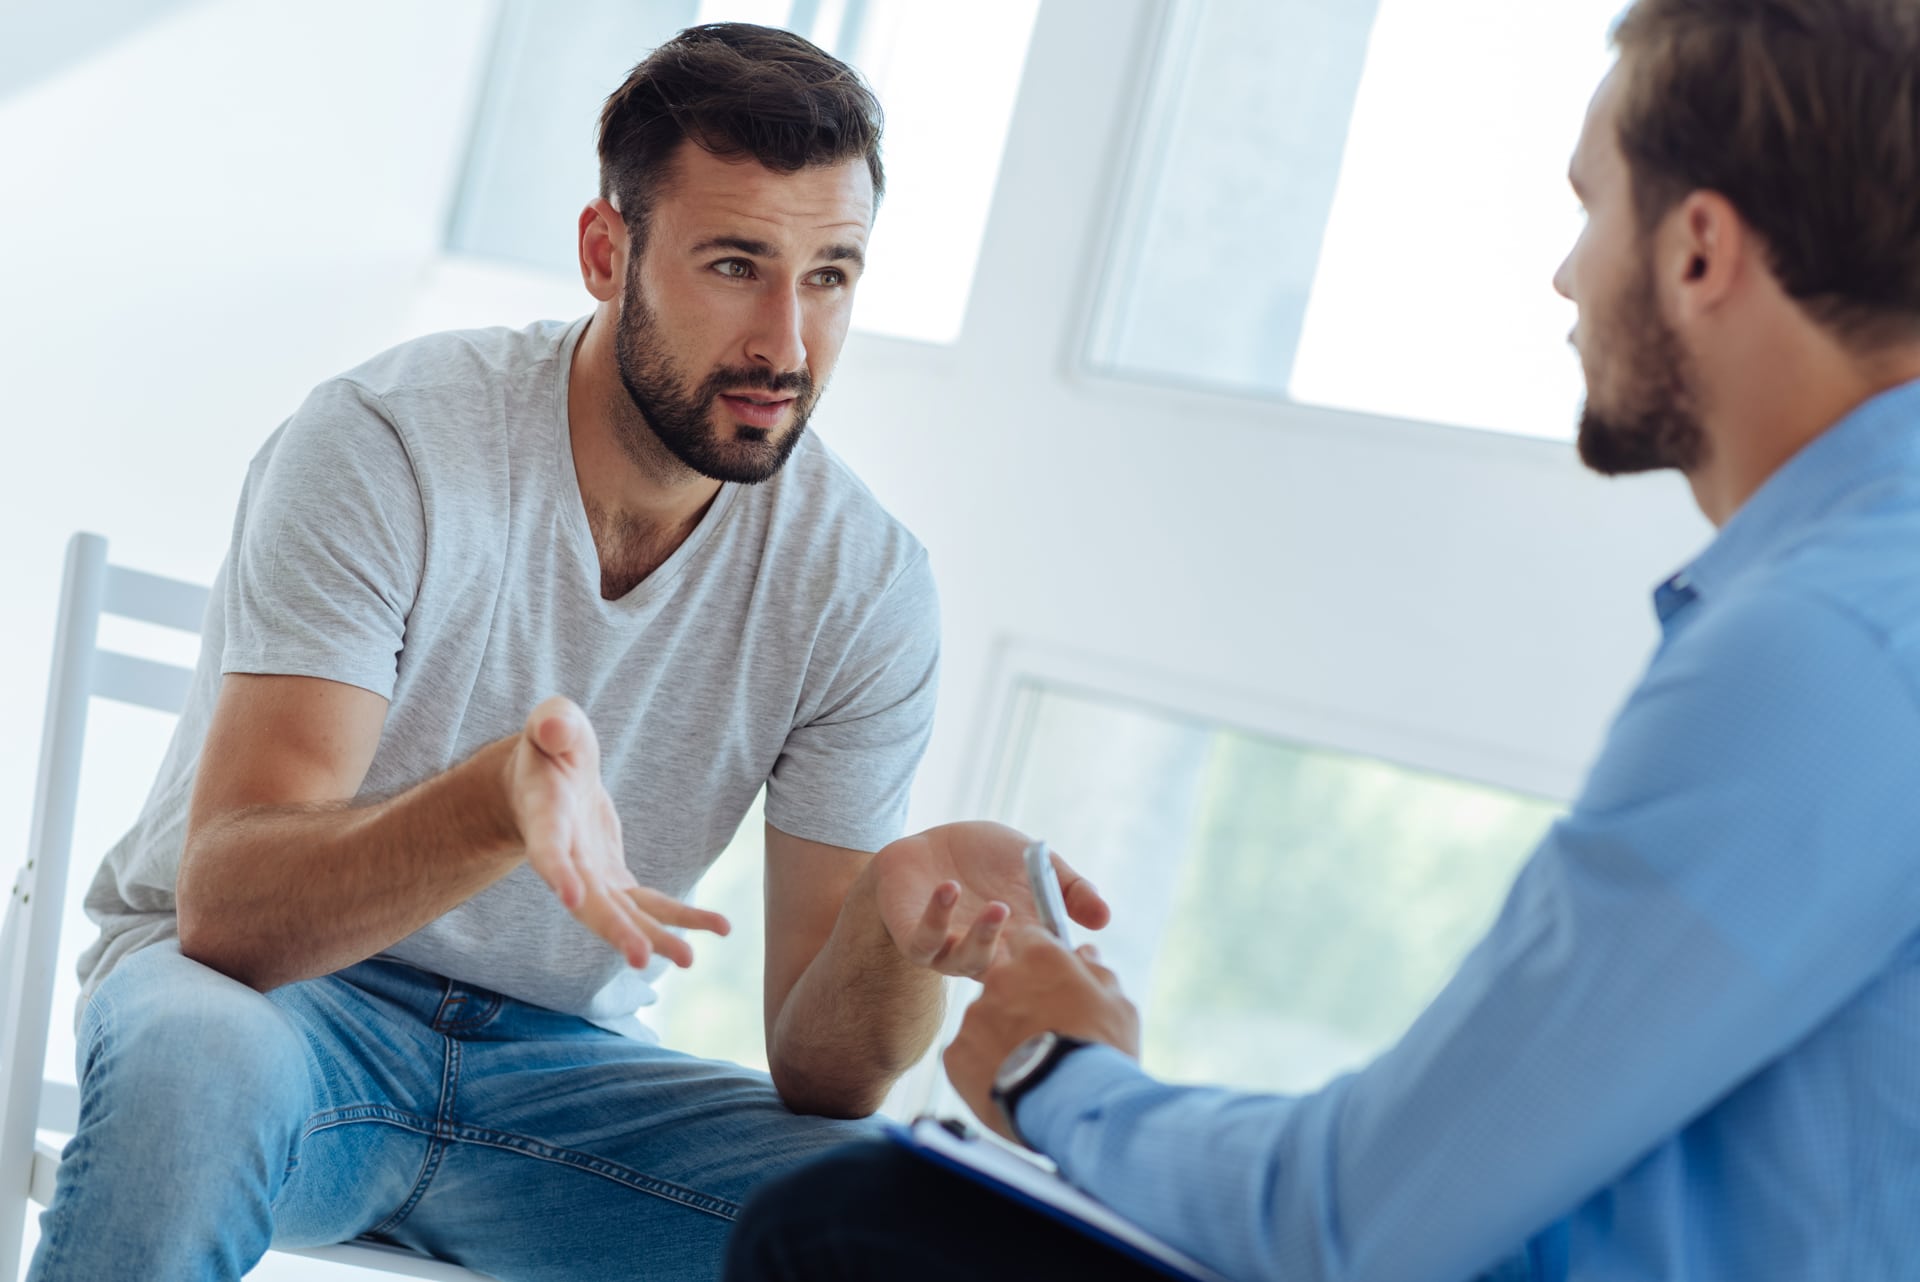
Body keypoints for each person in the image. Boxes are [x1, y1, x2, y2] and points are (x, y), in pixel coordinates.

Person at [723, 1, 1920, 1278]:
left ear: (1696, 252)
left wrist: (1054, 1067)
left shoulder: (1822, 649)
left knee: (853, 1232)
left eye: (1591, 207)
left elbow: (1354, 1220)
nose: (1568, 276)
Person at [28, 22, 1107, 1282]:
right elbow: (229, 914)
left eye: (831, 275)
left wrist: (895, 923)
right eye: (734, 263)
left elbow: (822, 1074)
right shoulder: (389, 443)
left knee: (915, 1214)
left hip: (561, 1084)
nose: (787, 345)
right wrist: (495, 804)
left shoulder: (864, 585)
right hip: (276, 1017)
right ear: (608, 252)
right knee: (193, 1058)